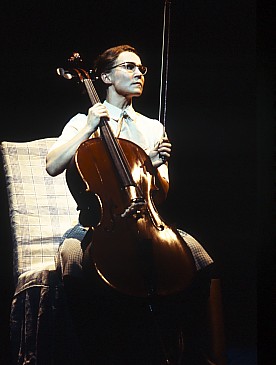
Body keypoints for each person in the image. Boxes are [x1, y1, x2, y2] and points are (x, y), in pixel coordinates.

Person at [46, 44, 214, 365]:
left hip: (148, 219)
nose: (139, 73)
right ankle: (91, 351)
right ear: (106, 77)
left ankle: (191, 347)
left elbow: (160, 192)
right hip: (96, 221)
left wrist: (150, 164)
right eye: (128, 67)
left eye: (141, 69)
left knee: (198, 256)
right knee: (71, 258)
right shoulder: (82, 119)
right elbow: (53, 165)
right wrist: (88, 129)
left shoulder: (151, 127)